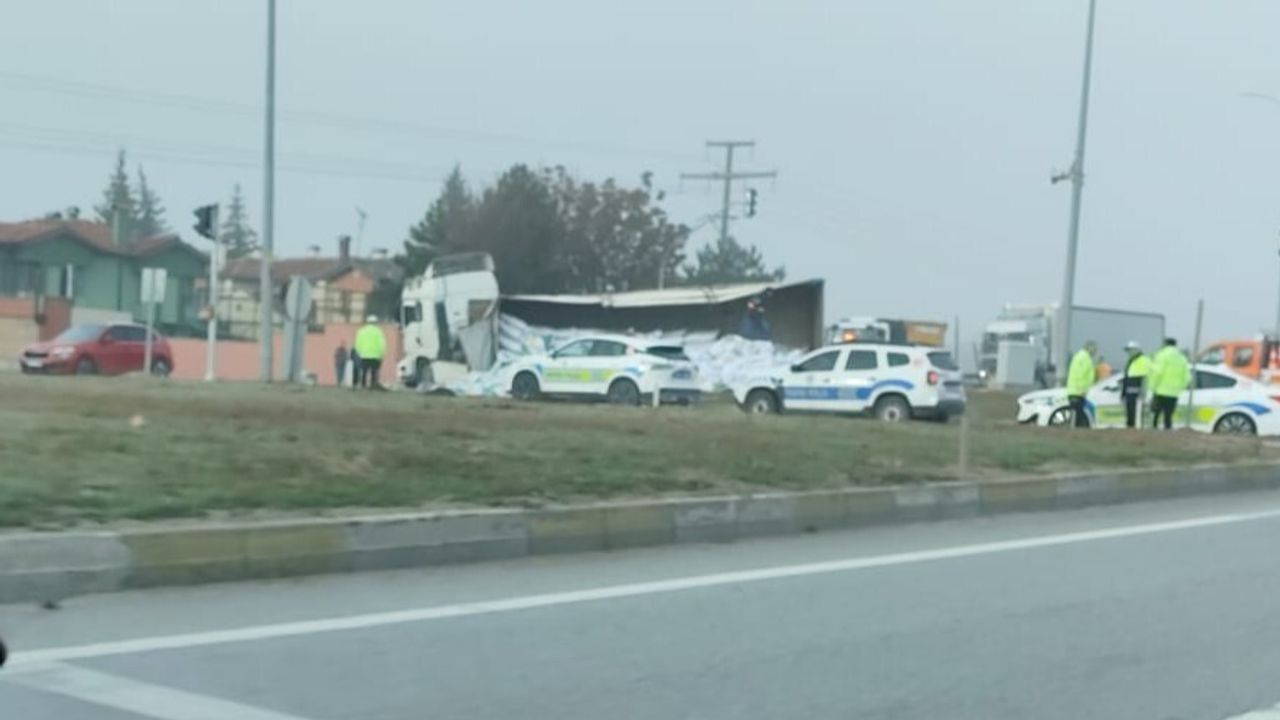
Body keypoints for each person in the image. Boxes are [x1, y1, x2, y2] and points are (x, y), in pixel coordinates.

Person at [1148, 337, 1191, 430]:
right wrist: (1180, 387)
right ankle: (1168, 433)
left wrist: (1152, 386)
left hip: (1161, 390)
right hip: (1174, 392)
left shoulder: (1161, 355)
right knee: (1168, 416)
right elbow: (1187, 377)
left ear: (1165, 344)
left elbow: (1157, 372)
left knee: (1156, 414)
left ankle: (1154, 432)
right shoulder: (1182, 358)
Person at [1066, 341, 1097, 428]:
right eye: (1094, 349)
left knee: (1075, 414)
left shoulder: (1077, 356)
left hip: (1072, 390)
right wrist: (1083, 390)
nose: (1095, 352)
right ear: (1089, 348)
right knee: (1078, 416)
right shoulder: (1086, 359)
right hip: (1079, 392)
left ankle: (1073, 431)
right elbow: (1082, 375)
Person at [1120, 341, 1151, 429]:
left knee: (1136, 417)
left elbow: (1145, 377)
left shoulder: (1143, 360)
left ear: (1136, 350)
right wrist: (1123, 393)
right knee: (1130, 416)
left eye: (1130, 350)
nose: (1129, 352)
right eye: (1128, 350)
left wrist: (1143, 392)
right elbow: (1127, 378)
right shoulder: (1131, 361)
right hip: (1129, 393)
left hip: (1137, 394)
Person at [354, 315, 387, 389]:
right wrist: (382, 354)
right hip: (375, 355)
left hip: (364, 355)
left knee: (364, 371)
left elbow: (357, 344)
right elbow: (382, 344)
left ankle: (363, 385)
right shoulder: (378, 332)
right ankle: (373, 385)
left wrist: (359, 353)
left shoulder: (361, 331)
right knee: (374, 372)